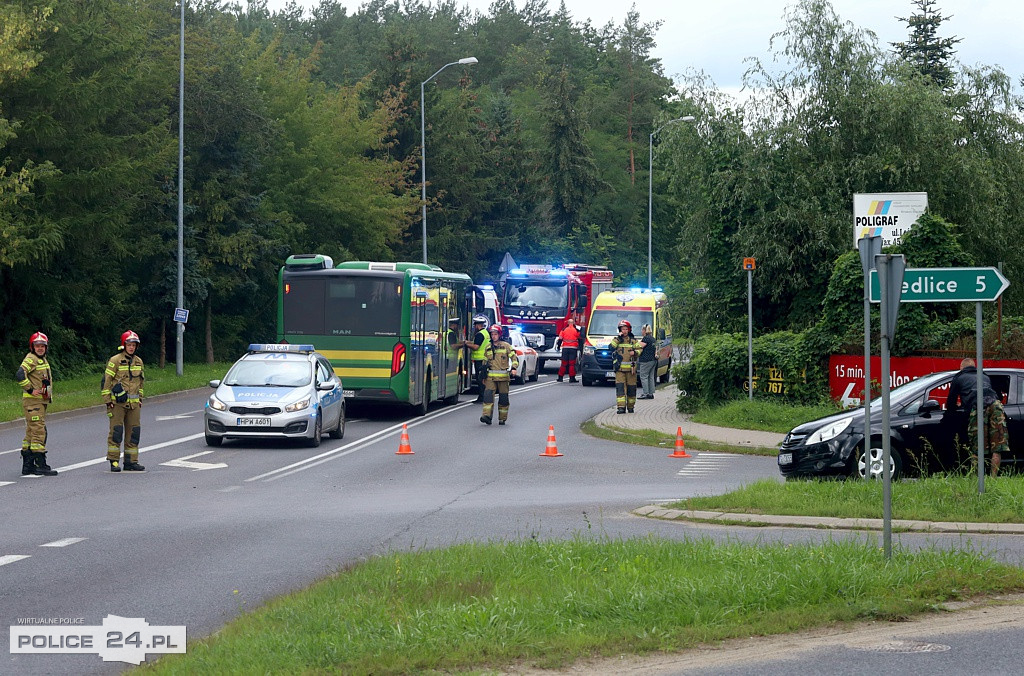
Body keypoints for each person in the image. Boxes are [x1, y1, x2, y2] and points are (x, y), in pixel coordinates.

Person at [945, 358, 1008, 477]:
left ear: (961, 368)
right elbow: (998, 395)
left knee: (977, 447)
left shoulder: (959, 377)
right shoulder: (985, 376)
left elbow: (950, 404)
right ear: (974, 367)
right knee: (997, 447)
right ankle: (993, 479)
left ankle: (977, 478)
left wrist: (961, 405)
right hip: (995, 405)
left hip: (978, 406)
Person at [101, 330, 146, 472]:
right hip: (117, 404)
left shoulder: (138, 361)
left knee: (134, 432)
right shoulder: (115, 360)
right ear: (124, 345)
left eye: (134, 345)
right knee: (116, 432)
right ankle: (114, 460)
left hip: (134, 405)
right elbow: (106, 382)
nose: (131, 347)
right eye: (129, 344)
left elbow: (141, 383)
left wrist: (140, 399)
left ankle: (131, 461)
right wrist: (108, 401)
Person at [15, 332, 58, 476]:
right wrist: (31, 389)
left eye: (42, 346)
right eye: (37, 346)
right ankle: (41, 464)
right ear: (32, 347)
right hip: (33, 402)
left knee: (31, 432)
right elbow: (20, 374)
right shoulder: (31, 358)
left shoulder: (42, 360)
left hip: (38, 402)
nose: (40, 348)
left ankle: (28, 466)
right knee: (39, 431)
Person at [480, 324, 518, 426]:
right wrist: (483, 376)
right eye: (492, 334)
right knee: (487, 397)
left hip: (504, 379)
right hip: (490, 378)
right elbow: (484, 363)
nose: (493, 336)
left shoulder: (506, 346)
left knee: (503, 399)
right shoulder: (488, 348)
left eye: (495, 334)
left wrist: (514, 368)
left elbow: (514, 358)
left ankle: (502, 418)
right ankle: (487, 416)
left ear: (499, 335)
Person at [609, 320, 642, 414]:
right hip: (620, 369)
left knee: (631, 388)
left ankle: (631, 407)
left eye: (626, 329)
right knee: (620, 388)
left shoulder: (633, 340)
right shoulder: (617, 340)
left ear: (629, 330)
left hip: (631, 369)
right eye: (622, 329)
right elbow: (611, 347)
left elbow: (640, 349)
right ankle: (621, 407)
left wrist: (635, 352)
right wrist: (618, 338)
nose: (624, 331)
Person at [464, 315, 491, 403]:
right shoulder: (485, 333)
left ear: (477, 325)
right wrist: (469, 342)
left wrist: (466, 344)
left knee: (480, 380)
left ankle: (482, 397)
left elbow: (476, 346)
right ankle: (483, 397)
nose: (474, 327)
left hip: (480, 360)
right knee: (483, 379)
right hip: (484, 359)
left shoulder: (479, 334)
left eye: (475, 325)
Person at [637, 323, 658, 399]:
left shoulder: (646, 338)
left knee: (644, 376)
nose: (641, 332)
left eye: (642, 330)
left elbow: (639, 346)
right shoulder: (653, 338)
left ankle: (645, 393)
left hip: (646, 360)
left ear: (644, 330)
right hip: (653, 360)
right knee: (651, 376)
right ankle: (651, 393)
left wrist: (634, 344)